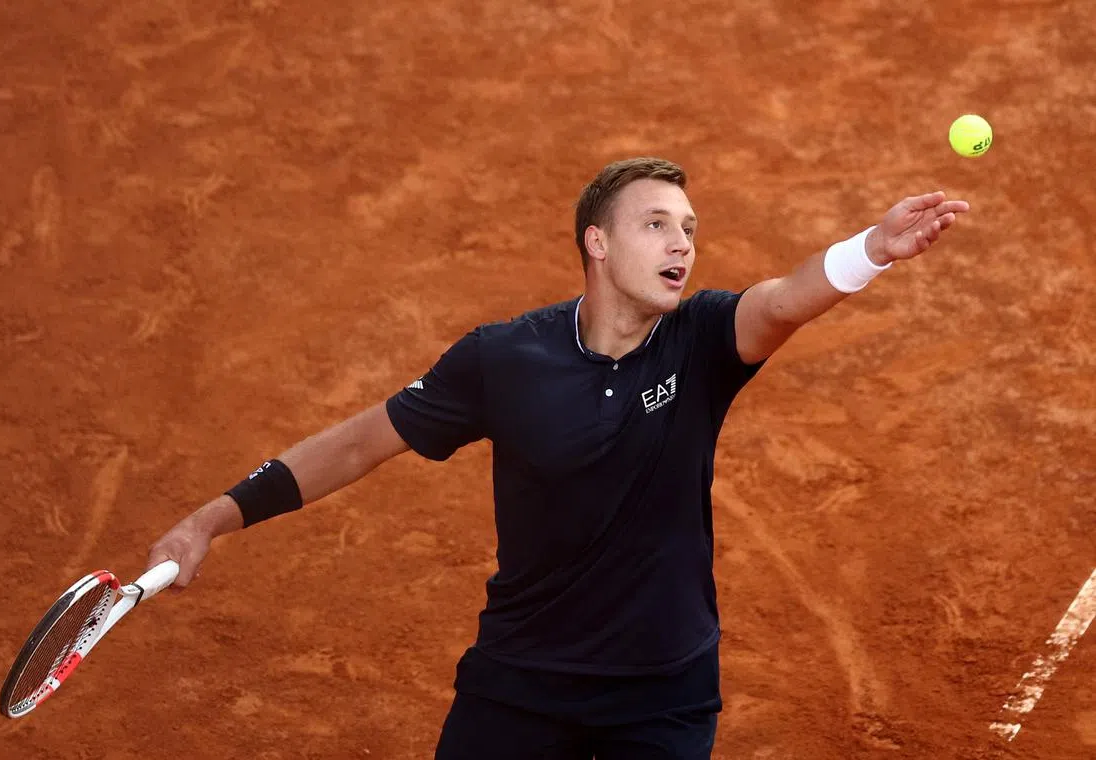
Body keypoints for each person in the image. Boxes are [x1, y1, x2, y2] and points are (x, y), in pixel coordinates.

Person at [145, 157, 969, 758]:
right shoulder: (504, 359)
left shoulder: (703, 339)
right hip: (522, 682)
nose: (682, 242)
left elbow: (788, 299)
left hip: (663, 695)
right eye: (656, 224)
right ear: (598, 244)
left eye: (689, 228)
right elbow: (364, 439)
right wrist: (211, 519)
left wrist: (874, 248)